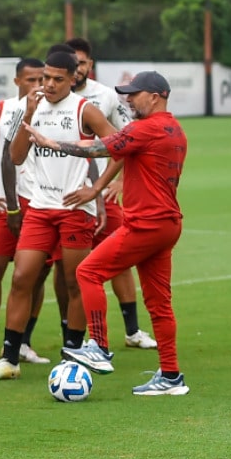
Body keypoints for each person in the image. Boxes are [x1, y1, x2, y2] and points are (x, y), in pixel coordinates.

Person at [26, 71, 190, 395]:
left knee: (87, 271)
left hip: (146, 225)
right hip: (167, 224)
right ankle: (171, 377)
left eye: (134, 93)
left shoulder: (147, 128)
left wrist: (51, 143)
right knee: (159, 304)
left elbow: (100, 149)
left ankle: (99, 347)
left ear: (155, 96)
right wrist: (98, 186)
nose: (127, 99)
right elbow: (114, 149)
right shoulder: (175, 129)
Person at [0, 50, 118, 382]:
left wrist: (95, 190)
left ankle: (73, 355)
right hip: (39, 209)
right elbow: (15, 155)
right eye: (44, 79)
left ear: (73, 79)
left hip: (73, 210)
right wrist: (28, 114)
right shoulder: (31, 107)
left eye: (57, 79)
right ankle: (9, 359)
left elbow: (120, 146)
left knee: (73, 282)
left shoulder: (85, 110)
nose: (49, 85)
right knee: (22, 277)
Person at [66, 38, 156, 350]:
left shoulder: (104, 96)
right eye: (73, 63)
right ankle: (70, 334)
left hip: (102, 192)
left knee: (119, 260)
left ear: (90, 65)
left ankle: (131, 330)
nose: (78, 69)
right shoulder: (51, 97)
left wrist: (114, 182)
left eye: (83, 63)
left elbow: (129, 137)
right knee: (62, 265)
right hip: (66, 195)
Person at [0, 58, 52, 365]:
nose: (37, 86)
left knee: (35, 275)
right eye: (31, 80)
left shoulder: (54, 111)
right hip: (9, 204)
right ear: (17, 81)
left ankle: (23, 342)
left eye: (42, 80)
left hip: (43, 203)